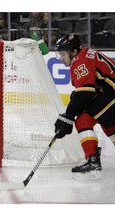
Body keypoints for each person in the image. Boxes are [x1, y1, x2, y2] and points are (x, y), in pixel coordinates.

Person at [54, 34, 115, 176]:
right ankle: (92, 158)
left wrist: (68, 116)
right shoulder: (86, 55)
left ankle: (92, 158)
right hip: (109, 92)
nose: (61, 59)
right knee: (108, 125)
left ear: (73, 52)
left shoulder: (79, 61)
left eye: (63, 54)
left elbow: (85, 94)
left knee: (83, 120)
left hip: (112, 93)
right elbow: (87, 92)